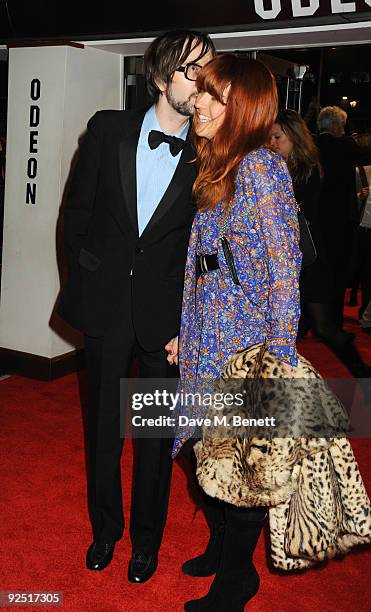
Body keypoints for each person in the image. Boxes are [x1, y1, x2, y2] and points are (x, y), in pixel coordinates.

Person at [57, 30, 215, 582]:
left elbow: (206, 251)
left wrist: (192, 321)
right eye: (192, 70)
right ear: (159, 76)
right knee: (103, 432)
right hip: (104, 310)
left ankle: (146, 542)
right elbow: (74, 217)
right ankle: (106, 531)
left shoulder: (210, 151)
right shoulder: (108, 129)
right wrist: (86, 280)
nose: (202, 82)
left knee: (152, 440)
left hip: (163, 323)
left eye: (207, 69)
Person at [166, 54, 301, 611]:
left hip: (246, 347)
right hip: (206, 336)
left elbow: (285, 270)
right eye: (200, 91)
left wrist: (278, 358)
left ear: (241, 108)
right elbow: (203, 261)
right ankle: (222, 550)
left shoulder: (261, 170)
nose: (197, 101)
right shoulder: (218, 163)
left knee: (241, 470)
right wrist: (182, 330)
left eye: (212, 96)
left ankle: (236, 580)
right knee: (204, 455)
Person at [269, 110, 371, 382]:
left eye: (277, 136)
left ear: (294, 136)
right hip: (289, 264)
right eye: (270, 137)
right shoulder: (279, 167)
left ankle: (362, 373)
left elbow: (302, 214)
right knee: (285, 331)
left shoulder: (308, 169)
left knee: (325, 327)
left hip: (309, 261)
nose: (273, 142)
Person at [315, 106, 371, 328]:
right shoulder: (346, 146)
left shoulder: (312, 146)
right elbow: (365, 151)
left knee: (315, 269)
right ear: (336, 125)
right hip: (340, 220)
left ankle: (309, 318)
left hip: (316, 217)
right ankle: (333, 320)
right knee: (337, 272)